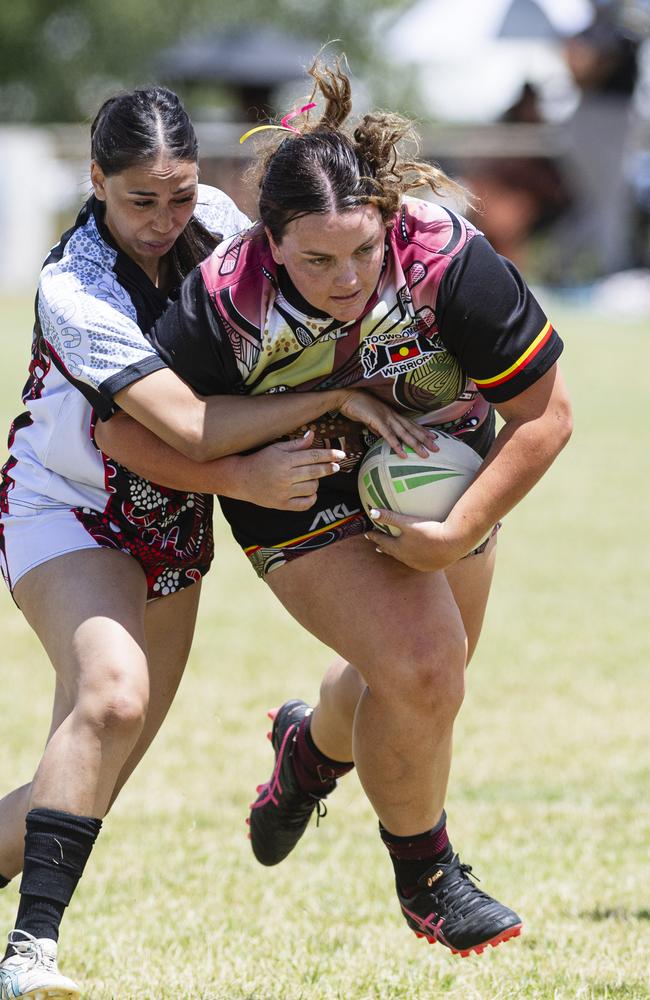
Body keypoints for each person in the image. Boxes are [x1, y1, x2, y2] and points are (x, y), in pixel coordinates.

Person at [96, 62, 572, 959]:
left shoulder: (444, 258)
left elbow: (547, 414)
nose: (347, 278)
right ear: (268, 242)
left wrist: (457, 534)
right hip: (293, 488)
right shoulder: (222, 303)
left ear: (389, 220)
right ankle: (429, 878)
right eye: (315, 259)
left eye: (363, 250)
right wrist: (242, 480)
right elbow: (123, 435)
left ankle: (309, 754)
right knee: (425, 666)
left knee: (424, 683)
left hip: (439, 467)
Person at [0, 85, 429, 999]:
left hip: (171, 518)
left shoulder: (226, 228)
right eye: (138, 201)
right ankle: (30, 955)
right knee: (111, 702)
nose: (163, 222)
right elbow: (182, 428)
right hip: (66, 506)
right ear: (95, 182)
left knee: (82, 784)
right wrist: (318, 410)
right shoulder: (75, 285)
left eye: (180, 196)